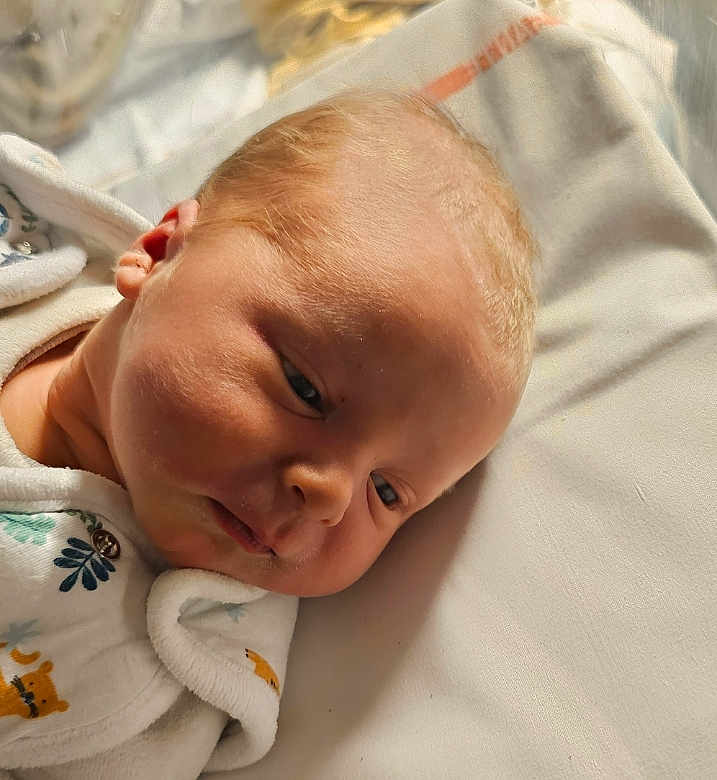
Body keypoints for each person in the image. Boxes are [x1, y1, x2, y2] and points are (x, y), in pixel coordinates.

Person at [0, 88, 537, 777]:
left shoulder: (135, 686)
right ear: (161, 251)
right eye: (306, 390)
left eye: (386, 491)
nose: (327, 497)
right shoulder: (32, 244)